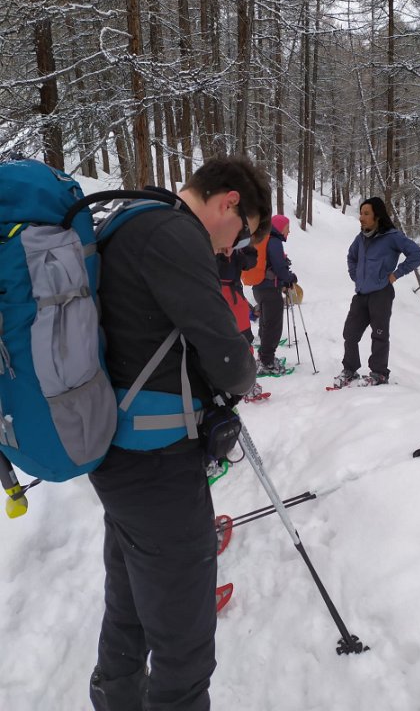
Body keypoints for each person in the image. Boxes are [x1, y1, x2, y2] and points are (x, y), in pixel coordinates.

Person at [89, 156, 272, 711]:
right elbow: (229, 360)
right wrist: (243, 370)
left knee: (131, 600)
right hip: (157, 465)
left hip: (118, 452)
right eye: (241, 232)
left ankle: (116, 697)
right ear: (229, 202)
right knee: (183, 634)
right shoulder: (173, 234)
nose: (231, 247)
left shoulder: (130, 217)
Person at [333, 196, 420, 388]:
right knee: (350, 333)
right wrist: (356, 276)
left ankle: (379, 374)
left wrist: (396, 274)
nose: (361, 217)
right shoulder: (360, 238)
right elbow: (351, 257)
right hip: (361, 294)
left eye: (366, 213)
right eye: (361, 213)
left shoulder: (392, 237)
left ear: (378, 216)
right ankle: (350, 370)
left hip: (381, 294)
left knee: (379, 334)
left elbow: (417, 254)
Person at [216, 247, 265, 401]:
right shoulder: (234, 249)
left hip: (219, 298)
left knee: (226, 344)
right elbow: (249, 262)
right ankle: (246, 385)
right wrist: (247, 248)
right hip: (231, 300)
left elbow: (248, 262)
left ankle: (238, 384)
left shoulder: (208, 245)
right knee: (243, 342)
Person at [253, 214, 298, 376]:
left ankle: (264, 358)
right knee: (273, 327)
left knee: (266, 324)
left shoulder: (264, 239)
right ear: (280, 227)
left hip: (259, 288)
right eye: (287, 227)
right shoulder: (274, 241)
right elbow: (279, 267)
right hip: (270, 290)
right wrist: (290, 277)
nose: (289, 231)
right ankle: (267, 362)